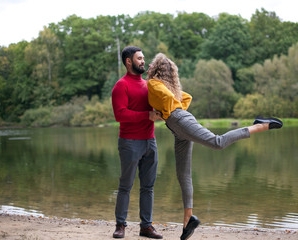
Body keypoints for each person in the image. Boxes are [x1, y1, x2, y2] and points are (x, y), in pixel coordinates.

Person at [146, 53, 283, 240]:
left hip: (180, 121)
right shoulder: (164, 86)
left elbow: (169, 98)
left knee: (217, 143)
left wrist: (161, 112)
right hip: (177, 126)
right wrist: (163, 112)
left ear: (155, 68)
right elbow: (186, 98)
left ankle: (260, 125)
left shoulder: (153, 84)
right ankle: (187, 221)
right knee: (183, 174)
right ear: (170, 73)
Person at [111, 46, 163, 239]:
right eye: (139, 58)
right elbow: (120, 115)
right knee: (126, 186)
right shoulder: (121, 86)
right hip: (130, 142)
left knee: (148, 187)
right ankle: (120, 225)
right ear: (128, 62)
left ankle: (146, 227)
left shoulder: (149, 84)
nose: (143, 61)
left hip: (150, 141)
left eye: (143, 58)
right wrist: (147, 115)